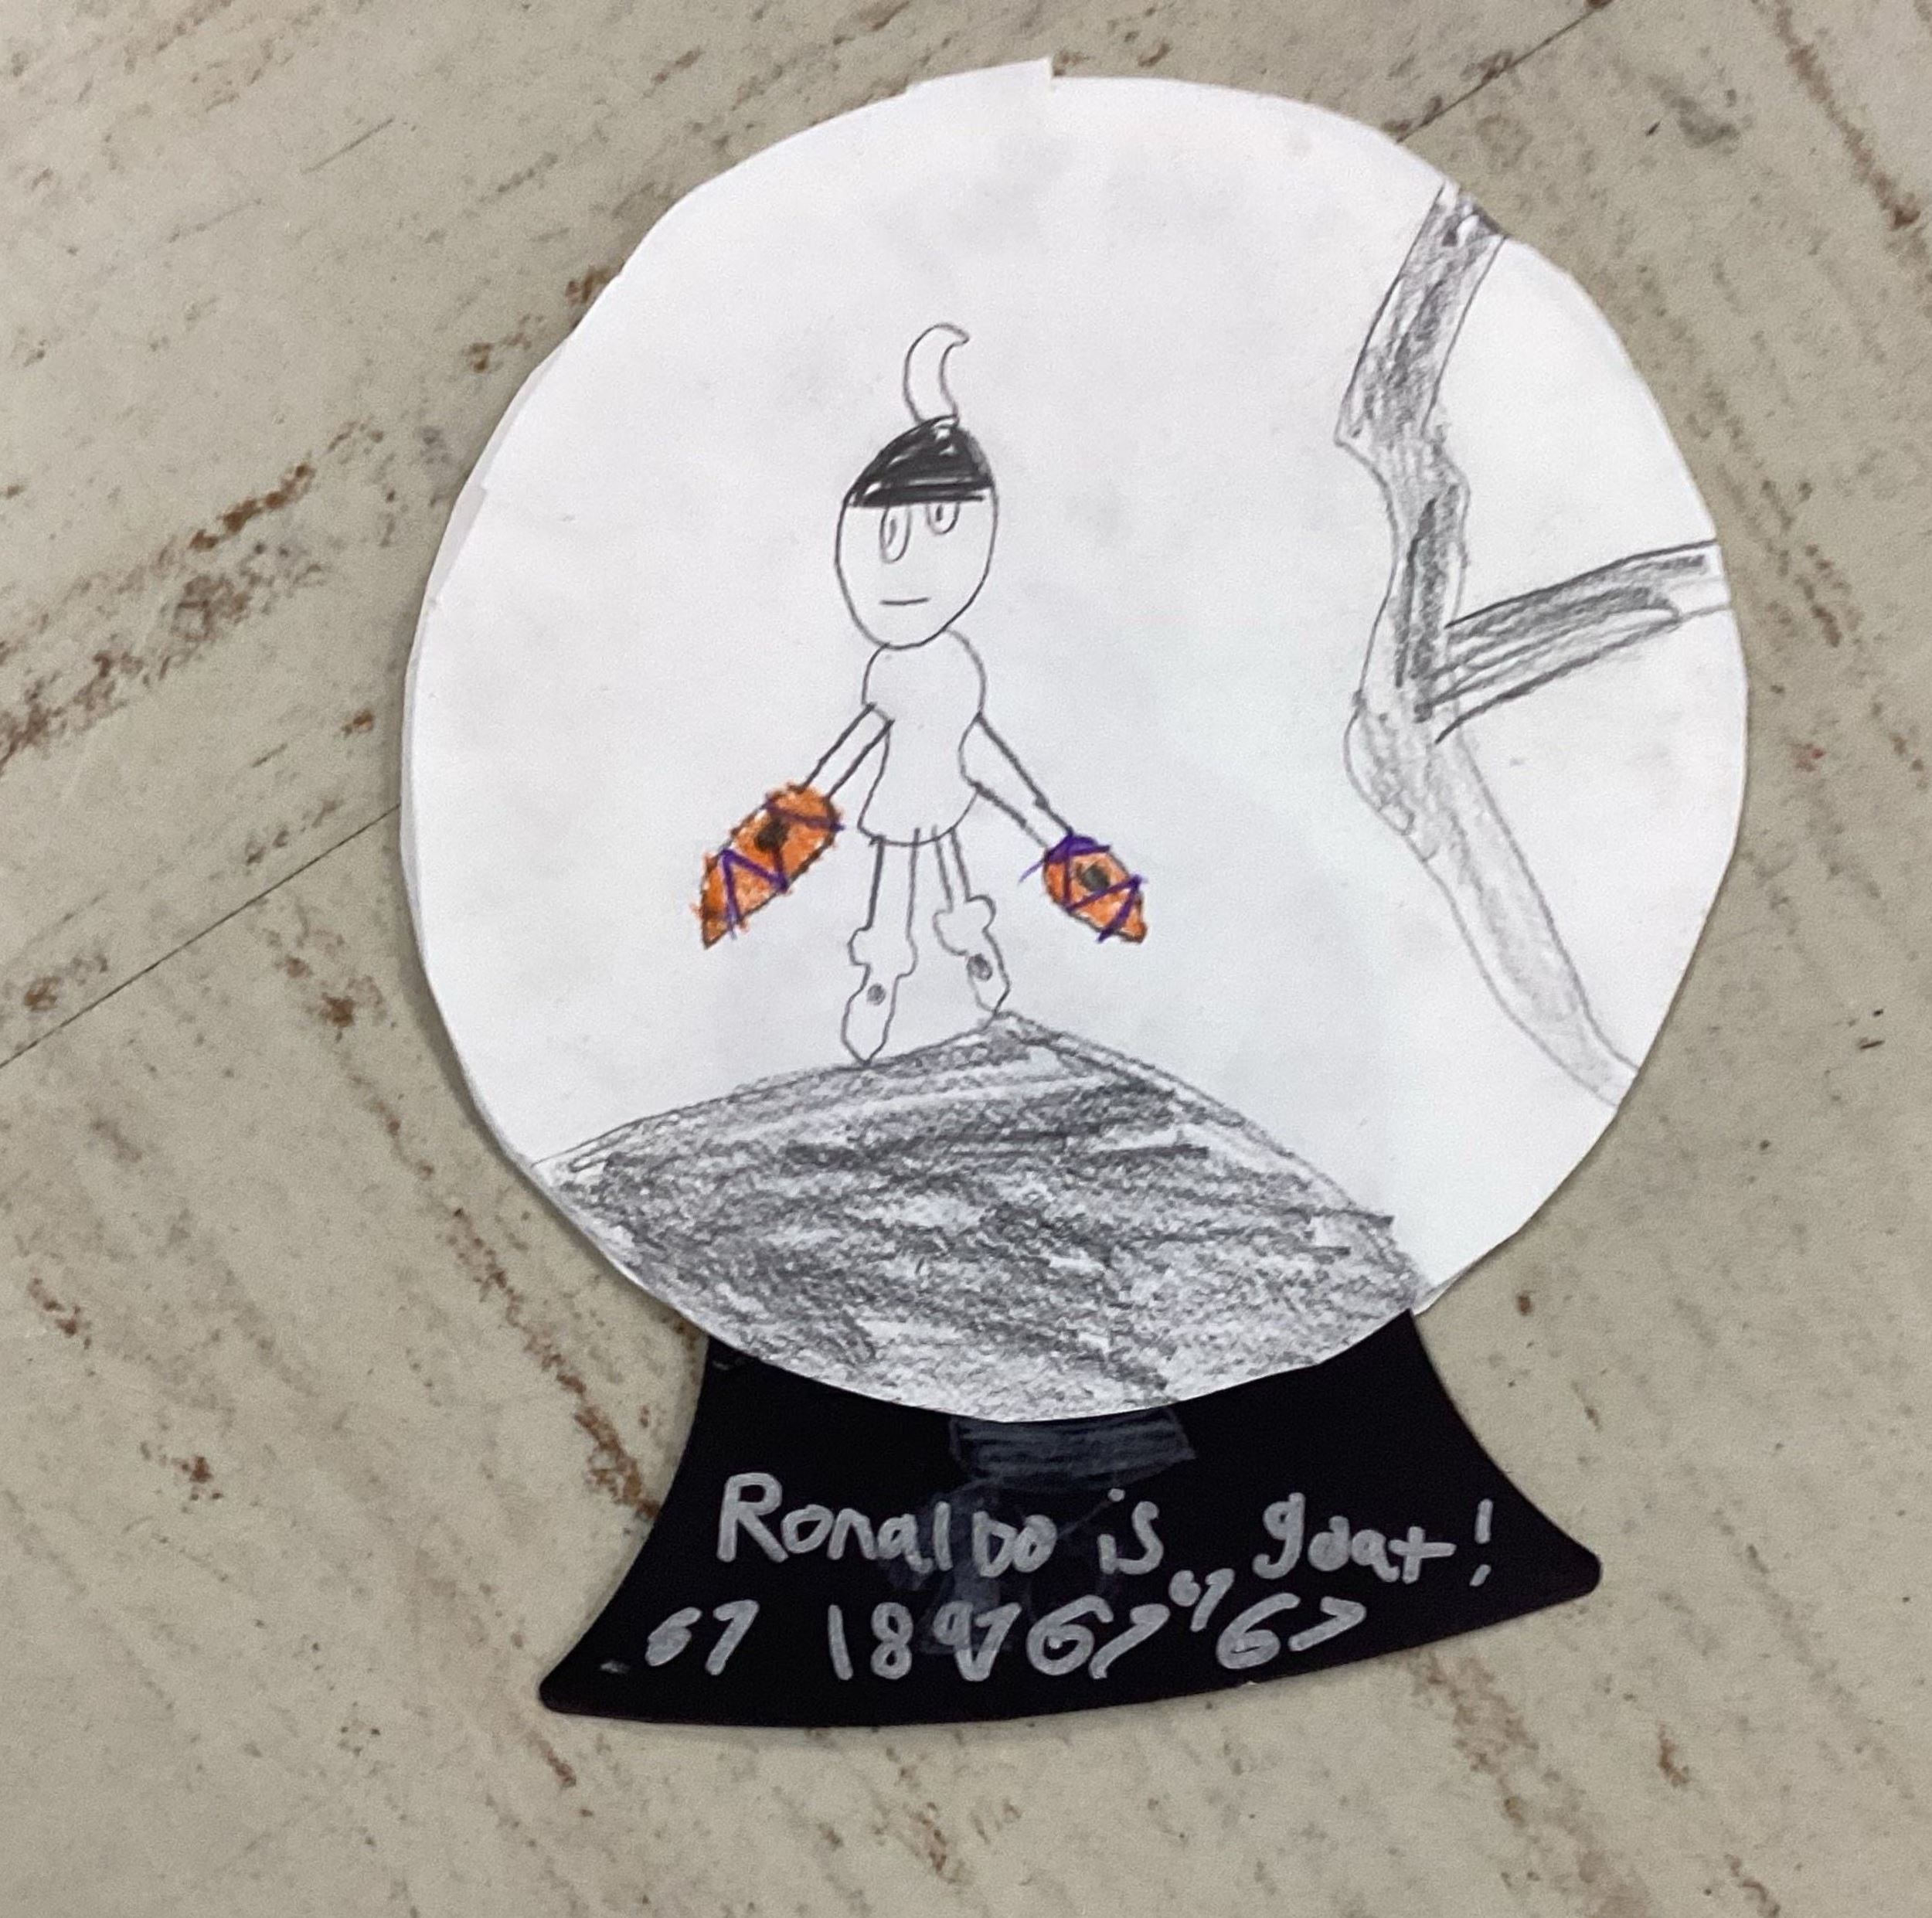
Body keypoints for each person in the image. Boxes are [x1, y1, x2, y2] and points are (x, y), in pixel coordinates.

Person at [700, 325, 1143, 1063]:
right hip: (897, 807)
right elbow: (848, 758)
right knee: (897, 895)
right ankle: (883, 981)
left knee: (949, 880)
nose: (903, 565)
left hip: (946, 799)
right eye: (888, 537)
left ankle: (974, 960)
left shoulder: (954, 667)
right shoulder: (893, 672)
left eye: (937, 525)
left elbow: (976, 746)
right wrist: (782, 833)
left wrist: (1048, 830)